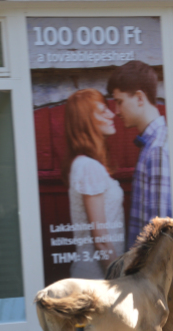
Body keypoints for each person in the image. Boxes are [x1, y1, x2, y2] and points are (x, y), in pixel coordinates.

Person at [106, 61, 171, 249]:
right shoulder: (152, 144)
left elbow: (160, 234)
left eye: (119, 102)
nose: (116, 111)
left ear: (140, 98)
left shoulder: (158, 149)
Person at [62, 89, 125, 279]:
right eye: (103, 110)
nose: (112, 114)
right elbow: (102, 242)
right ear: (86, 120)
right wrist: (121, 283)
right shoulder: (89, 167)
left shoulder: (86, 164)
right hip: (97, 279)